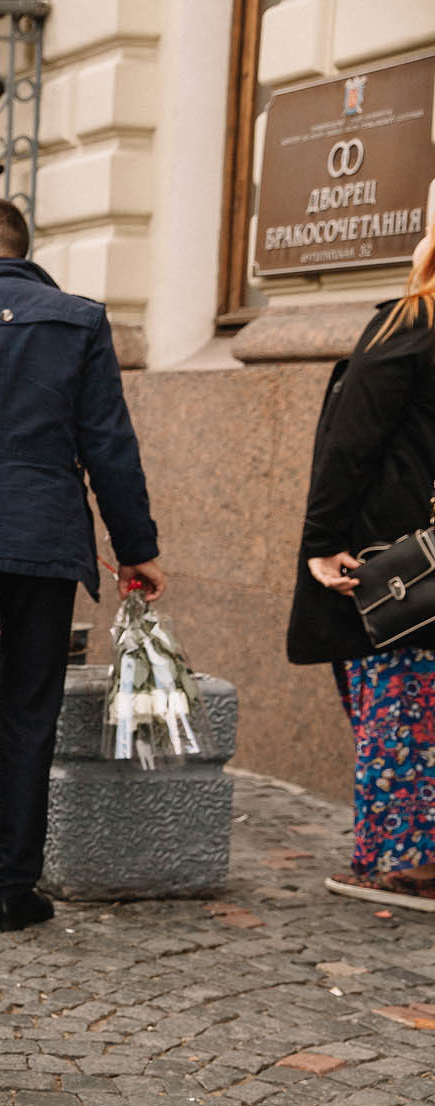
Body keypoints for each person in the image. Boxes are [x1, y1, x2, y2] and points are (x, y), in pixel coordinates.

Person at [0, 198, 164, 944]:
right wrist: (137, 546)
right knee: (30, 713)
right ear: (25, 249)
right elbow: (109, 447)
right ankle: (12, 888)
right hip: (48, 535)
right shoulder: (80, 321)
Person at [288, 211, 435, 909]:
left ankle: (409, 859)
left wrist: (320, 544)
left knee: (396, 705)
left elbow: (350, 446)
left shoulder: (409, 323)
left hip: (404, 568)